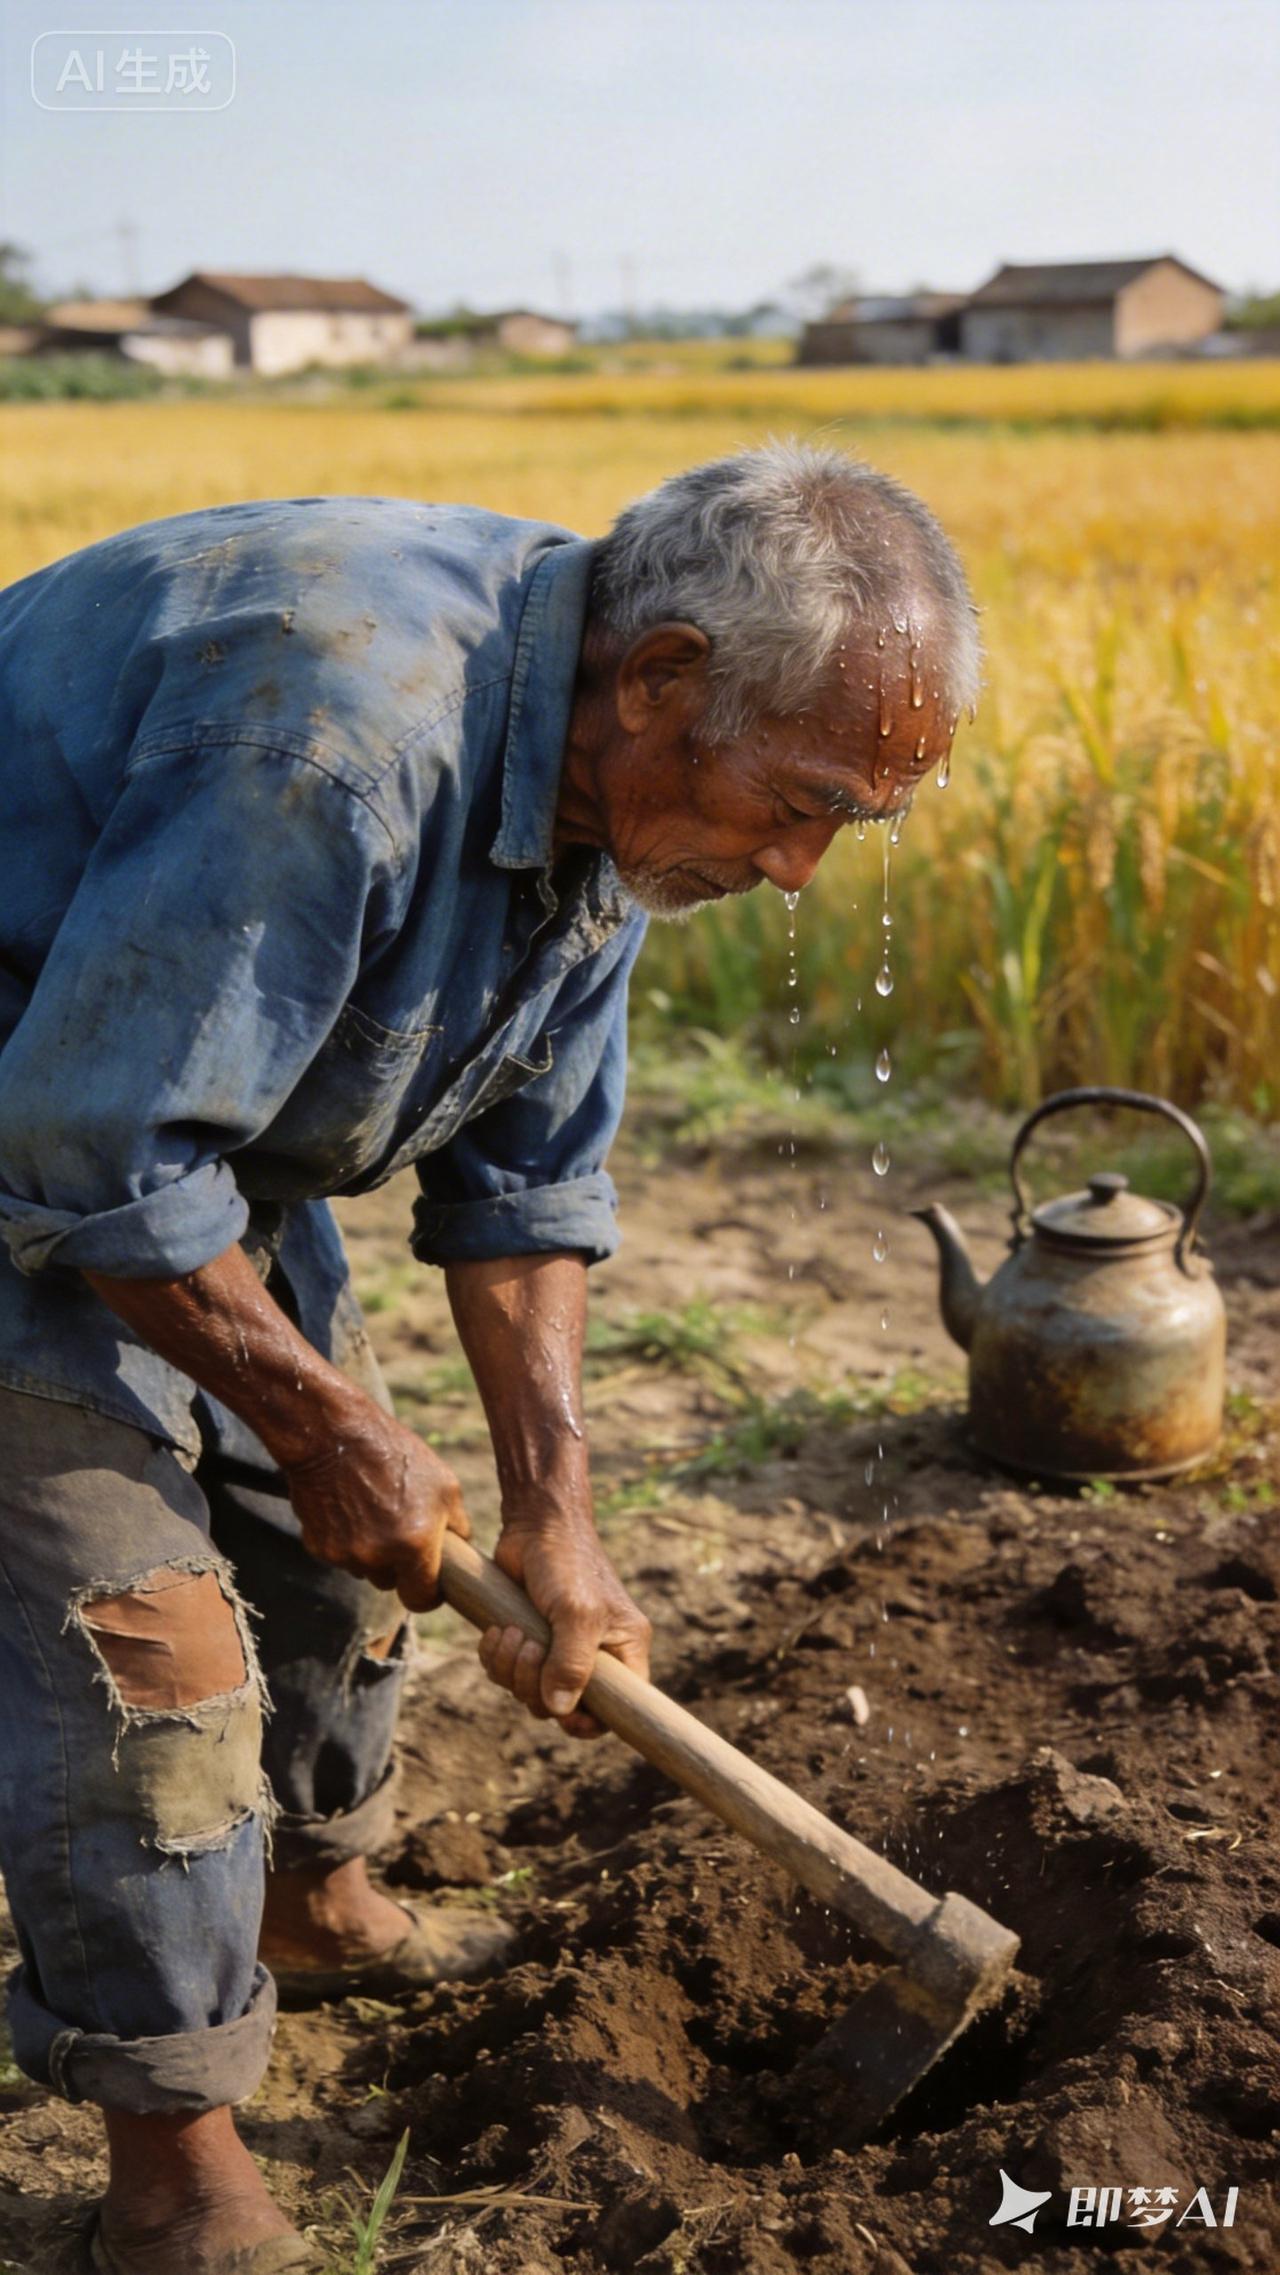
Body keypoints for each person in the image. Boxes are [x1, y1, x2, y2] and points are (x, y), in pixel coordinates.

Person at [0, 441, 978, 2272]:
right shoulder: (332, 741)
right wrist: (312, 1407)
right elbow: (86, 1148)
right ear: (664, 675)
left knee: (324, 1549)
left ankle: (315, 1902)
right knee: (144, 1641)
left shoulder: (610, 774)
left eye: (851, 825)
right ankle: (172, 2155)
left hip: (176, 1133)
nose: (795, 872)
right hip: (45, 1127)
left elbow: (528, 1171)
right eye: (796, 804)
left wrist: (558, 1510)